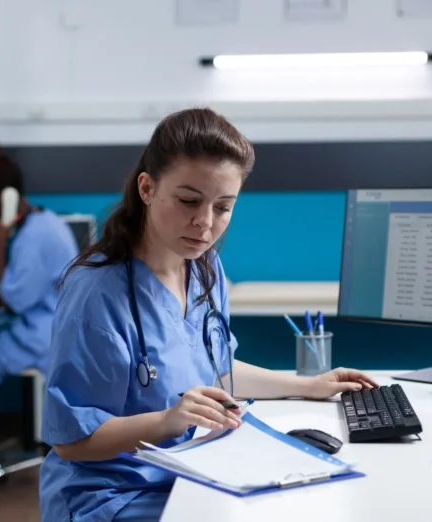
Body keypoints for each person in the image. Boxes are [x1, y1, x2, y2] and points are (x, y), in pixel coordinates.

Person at [38, 108, 378, 522]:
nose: (204, 223)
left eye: (223, 207)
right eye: (189, 201)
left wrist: (307, 385)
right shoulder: (97, 295)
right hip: (114, 494)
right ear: (146, 188)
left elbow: (213, 371)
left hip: (189, 473)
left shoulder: (203, 269)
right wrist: (166, 421)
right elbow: (73, 441)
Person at [0, 141, 80, 405]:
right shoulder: (47, 222)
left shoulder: (33, 237)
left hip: (42, 337)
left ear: (6, 197)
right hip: (50, 329)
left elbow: (14, 301)